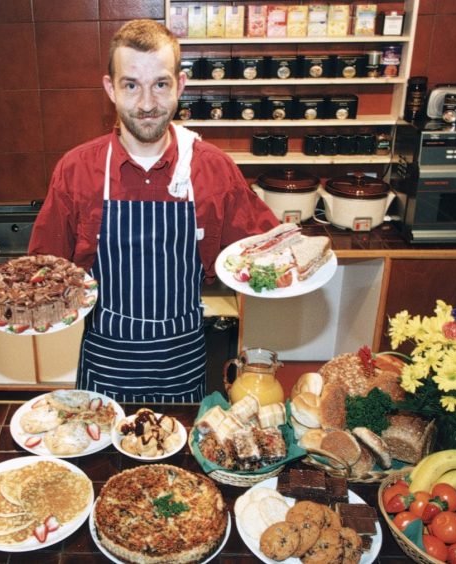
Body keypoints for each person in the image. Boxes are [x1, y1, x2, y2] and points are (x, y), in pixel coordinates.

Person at [29, 19, 279, 403]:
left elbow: (263, 256)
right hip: (105, 365)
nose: (146, 104)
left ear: (180, 85)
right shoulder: (76, 170)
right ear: (110, 89)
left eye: (160, 85)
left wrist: (288, 258)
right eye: (131, 85)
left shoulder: (213, 169)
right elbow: (42, 271)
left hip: (183, 364)